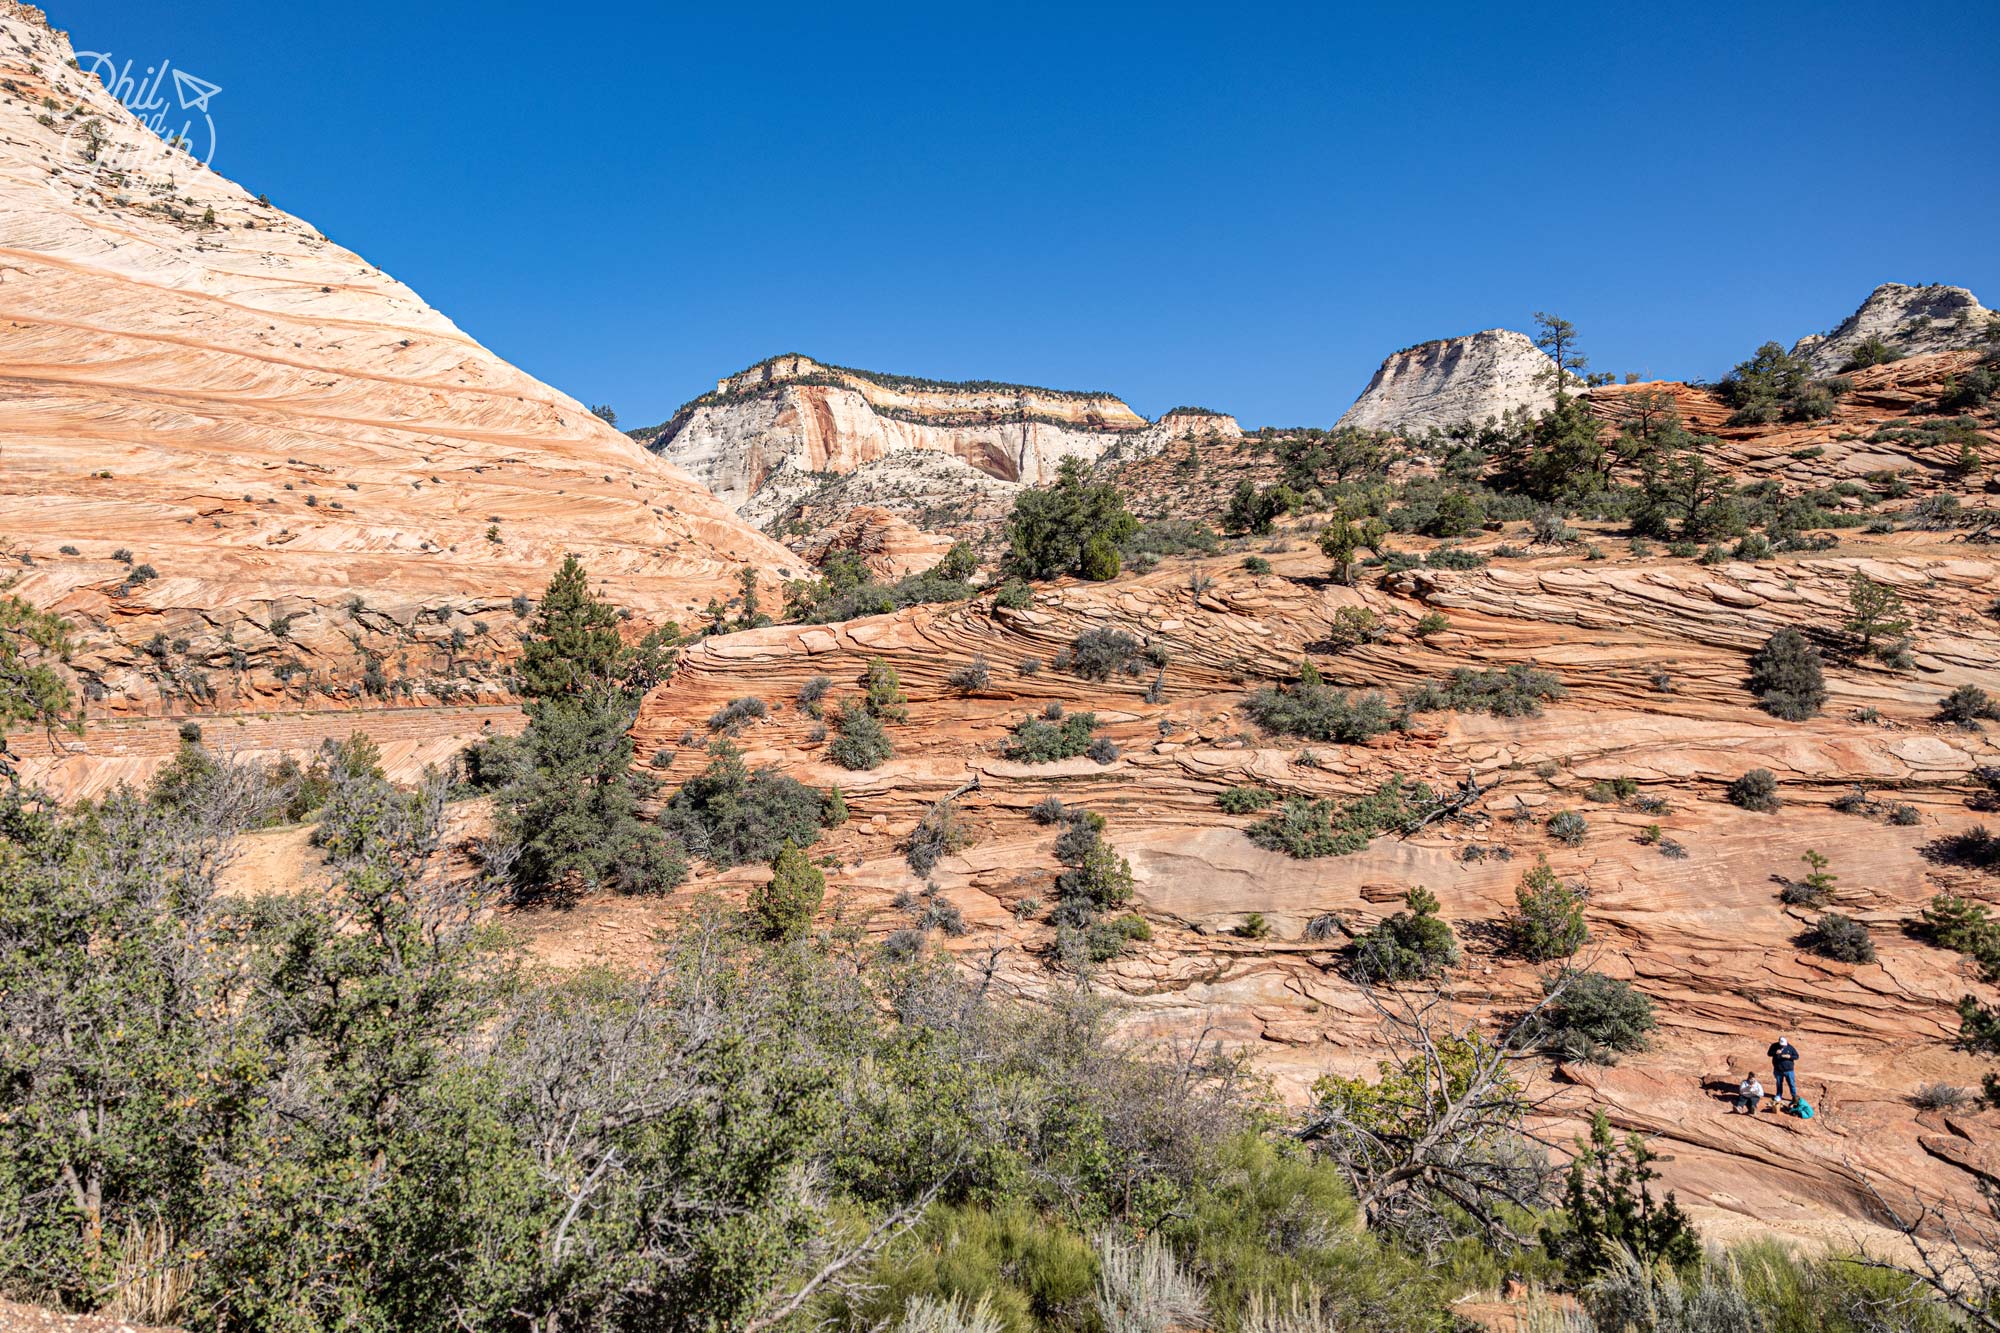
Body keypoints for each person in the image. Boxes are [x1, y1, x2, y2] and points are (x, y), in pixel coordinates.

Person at [1768, 1035, 1800, 1103]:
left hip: (1789, 1070)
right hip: (1778, 1069)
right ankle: (1779, 1095)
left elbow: (1796, 1056)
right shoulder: (1774, 1046)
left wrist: (1790, 1056)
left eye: (1784, 1045)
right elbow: (1769, 1053)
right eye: (1782, 1045)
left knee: (1791, 1083)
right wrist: (1775, 1052)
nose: (1783, 1046)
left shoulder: (1790, 1047)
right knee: (1779, 1083)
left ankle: (1794, 1096)